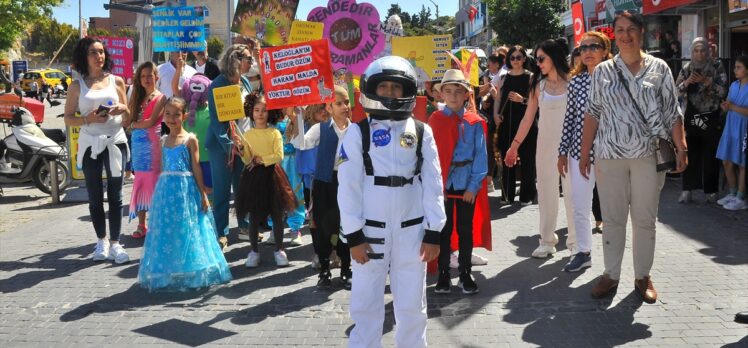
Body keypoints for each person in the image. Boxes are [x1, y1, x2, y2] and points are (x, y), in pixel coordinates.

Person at [337, 56, 446, 347]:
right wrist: (354, 235)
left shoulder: (422, 132)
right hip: (369, 234)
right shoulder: (357, 133)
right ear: (371, 89)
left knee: (412, 306)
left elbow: (433, 183)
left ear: (407, 90)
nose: (389, 92)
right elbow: (347, 188)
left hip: (412, 232)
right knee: (366, 304)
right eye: (383, 86)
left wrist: (434, 231)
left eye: (396, 87)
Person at [581, 11, 687, 304]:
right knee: (613, 219)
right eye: (620, 29)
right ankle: (611, 274)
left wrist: (681, 147)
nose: (625, 34)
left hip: (648, 156)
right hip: (609, 155)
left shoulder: (660, 68)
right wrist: (584, 152)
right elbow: (593, 113)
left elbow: (672, 112)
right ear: (614, 34)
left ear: (642, 32)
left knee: (645, 220)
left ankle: (642, 275)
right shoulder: (603, 71)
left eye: (631, 29)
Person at [138, 97, 232, 291]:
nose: (171, 119)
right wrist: (159, 192)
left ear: (184, 115)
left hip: (185, 188)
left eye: (176, 115)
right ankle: (168, 268)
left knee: (189, 226)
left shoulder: (190, 139)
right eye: (168, 114)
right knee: (170, 227)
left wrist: (203, 193)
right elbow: (162, 167)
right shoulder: (163, 140)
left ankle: (194, 267)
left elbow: (196, 167)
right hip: (167, 189)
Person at [504, 39, 574, 259]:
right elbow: (527, 118)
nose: (538, 62)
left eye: (541, 58)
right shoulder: (538, 83)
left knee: (573, 195)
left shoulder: (574, 81)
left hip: (572, 146)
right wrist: (513, 147)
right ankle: (546, 241)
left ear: (554, 57)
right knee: (546, 194)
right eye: (536, 58)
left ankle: (576, 243)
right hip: (544, 146)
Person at [63, 37, 131, 263]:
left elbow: (128, 116)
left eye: (101, 52)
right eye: (93, 52)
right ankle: (101, 241)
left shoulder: (117, 81)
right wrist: (87, 119)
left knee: (116, 195)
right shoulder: (76, 86)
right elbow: (68, 118)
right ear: (85, 56)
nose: (99, 56)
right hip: (91, 144)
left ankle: (115, 243)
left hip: (115, 142)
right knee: (94, 195)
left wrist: (122, 108)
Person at [429, 69, 487, 294]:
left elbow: (480, 157)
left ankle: (465, 272)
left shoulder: (474, 122)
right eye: (448, 91)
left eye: (458, 92)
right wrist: (437, 186)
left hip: (466, 186)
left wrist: (473, 186)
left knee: (465, 230)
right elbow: (431, 156)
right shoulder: (435, 121)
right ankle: (444, 274)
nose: (453, 96)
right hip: (443, 186)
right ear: (441, 94)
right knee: (443, 230)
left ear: (466, 95)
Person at [557, 31, 612, 272]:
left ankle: (614, 261)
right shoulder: (576, 81)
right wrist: (562, 151)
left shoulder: (615, 79)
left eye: (593, 46)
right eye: (583, 48)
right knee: (579, 205)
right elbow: (569, 118)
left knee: (613, 209)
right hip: (578, 154)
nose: (587, 51)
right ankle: (583, 252)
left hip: (611, 153)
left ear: (605, 50)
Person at [291, 86, 353, 289]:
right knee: (324, 227)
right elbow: (301, 144)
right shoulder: (320, 128)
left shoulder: (356, 131)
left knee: (347, 226)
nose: (344, 106)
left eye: (346, 102)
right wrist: (297, 117)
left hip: (348, 183)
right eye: (339, 103)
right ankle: (325, 268)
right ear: (329, 107)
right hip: (325, 182)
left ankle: (346, 268)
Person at [233, 93, 297, 268]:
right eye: (257, 110)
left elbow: (278, 155)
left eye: (264, 110)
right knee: (254, 216)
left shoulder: (274, 132)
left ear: (270, 113)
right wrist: (240, 148)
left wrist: (262, 159)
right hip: (253, 178)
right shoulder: (247, 134)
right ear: (251, 112)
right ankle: (254, 251)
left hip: (272, 176)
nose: (260, 113)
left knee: (276, 214)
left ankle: (279, 250)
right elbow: (247, 159)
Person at [206, 44, 254, 251]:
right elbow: (216, 121)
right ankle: (221, 232)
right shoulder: (217, 84)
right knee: (222, 190)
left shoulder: (244, 82)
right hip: (221, 146)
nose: (251, 63)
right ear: (236, 60)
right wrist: (229, 145)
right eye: (248, 59)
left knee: (243, 188)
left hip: (244, 143)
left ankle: (244, 227)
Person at [675, 37, 728, 204]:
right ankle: (687, 190)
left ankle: (711, 192)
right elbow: (675, 91)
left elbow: (723, 91)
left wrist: (707, 82)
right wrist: (687, 82)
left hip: (711, 116)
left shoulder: (716, 67)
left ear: (708, 51)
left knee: (710, 154)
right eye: (696, 50)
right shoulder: (687, 68)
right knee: (690, 153)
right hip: (691, 116)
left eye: (703, 50)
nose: (699, 54)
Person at [126, 62, 165, 239]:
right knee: (140, 183)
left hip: (153, 144)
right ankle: (142, 224)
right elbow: (128, 120)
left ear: (156, 77)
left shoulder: (162, 97)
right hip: (138, 146)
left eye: (150, 75)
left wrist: (134, 125)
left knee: (155, 183)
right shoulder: (136, 97)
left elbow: (150, 122)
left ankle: (157, 223)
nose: (146, 79)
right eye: (143, 76)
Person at [493, 45, 536, 205]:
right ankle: (507, 194)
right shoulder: (503, 77)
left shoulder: (531, 77)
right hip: (507, 121)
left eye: (519, 57)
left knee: (527, 159)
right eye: (512, 58)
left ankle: (527, 195)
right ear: (508, 60)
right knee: (506, 158)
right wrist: (496, 114)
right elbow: (498, 98)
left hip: (527, 121)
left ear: (524, 59)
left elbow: (536, 102)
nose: (516, 60)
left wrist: (521, 99)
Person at [265, 107, 306, 246]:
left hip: (292, 161)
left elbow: (301, 136)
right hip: (274, 162)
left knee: (294, 193)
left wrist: (293, 116)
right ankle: (274, 228)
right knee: (273, 194)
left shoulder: (298, 113)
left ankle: (295, 229)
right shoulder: (268, 116)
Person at [715, 55, 748, 210]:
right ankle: (733, 193)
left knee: (742, 163)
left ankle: (740, 198)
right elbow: (729, 103)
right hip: (730, 125)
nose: (735, 70)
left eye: (739, 67)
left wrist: (732, 107)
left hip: (744, 127)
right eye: (735, 67)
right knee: (726, 160)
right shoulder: (734, 85)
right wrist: (725, 106)